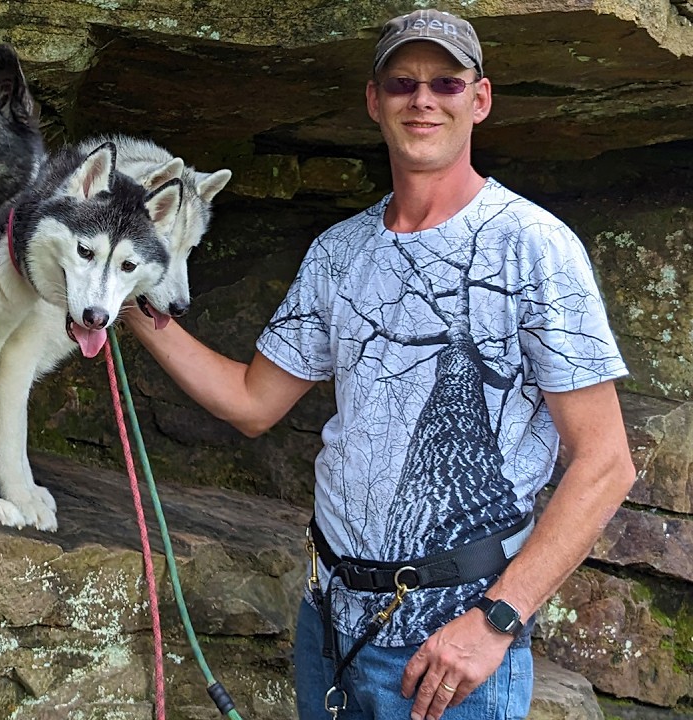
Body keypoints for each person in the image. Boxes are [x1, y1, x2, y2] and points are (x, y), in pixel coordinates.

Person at [124, 9, 635, 720]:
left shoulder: (534, 248)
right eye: (402, 82)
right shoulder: (340, 252)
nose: (423, 100)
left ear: (479, 100)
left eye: (446, 84)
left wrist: (496, 623)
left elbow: (606, 463)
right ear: (374, 101)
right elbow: (251, 401)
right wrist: (121, 299)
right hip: (329, 627)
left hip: (453, 654)